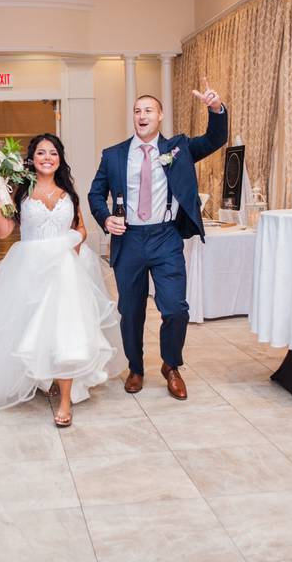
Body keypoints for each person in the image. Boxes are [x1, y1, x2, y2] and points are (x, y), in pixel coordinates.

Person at [0, 134, 125, 427]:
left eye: (53, 153)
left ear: (60, 159)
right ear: (32, 159)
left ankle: (66, 400)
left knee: (65, 331)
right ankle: (48, 379)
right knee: (33, 330)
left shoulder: (69, 193)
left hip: (64, 270)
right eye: (41, 153)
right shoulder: (20, 191)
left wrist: (71, 239)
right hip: (29, 269)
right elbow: (4, 232)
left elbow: (80, 229)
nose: (47, 157)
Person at [88, 80, 227, 400]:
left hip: (166, 237)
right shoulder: (113, 155)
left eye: (148, 110)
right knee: (131, 309)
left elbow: (215, 138)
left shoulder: (178, 148)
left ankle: (171, 365)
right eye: (137, 111)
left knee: (176, 307)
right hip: (130, 239)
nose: (142, 115)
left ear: (160, 116)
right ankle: (135, 368)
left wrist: (215, 108)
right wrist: (106, 218)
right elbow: (96, 193)